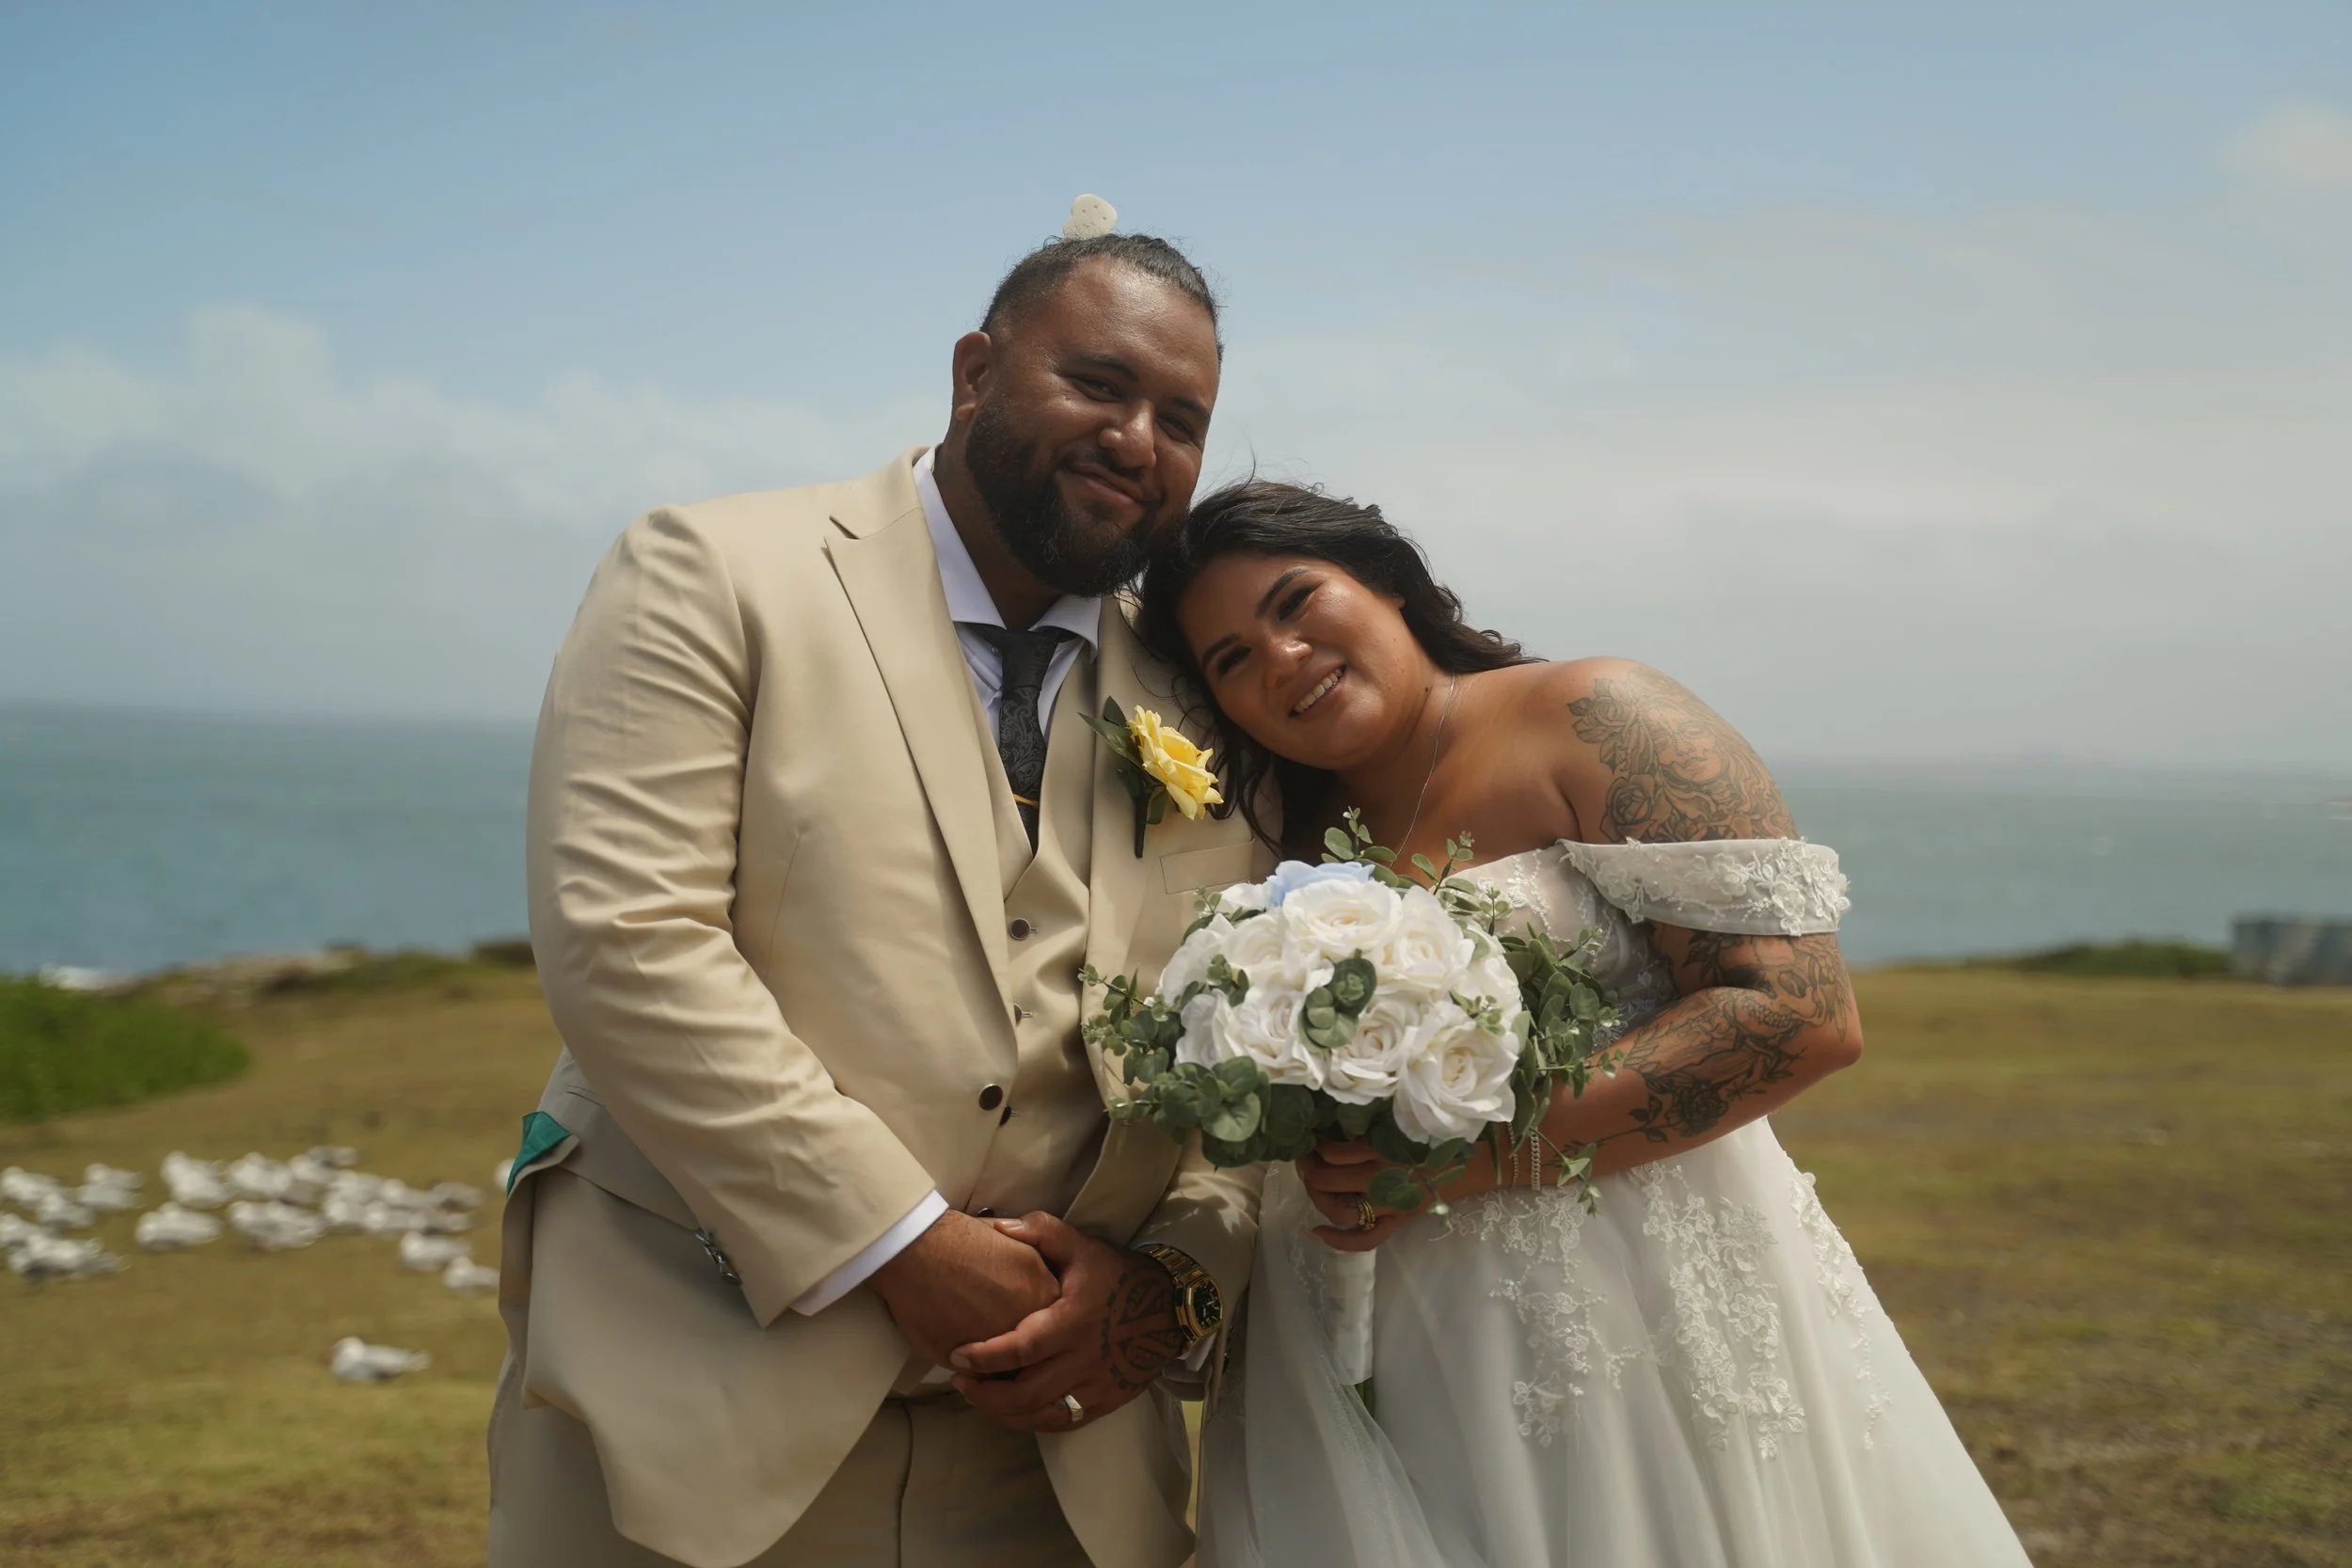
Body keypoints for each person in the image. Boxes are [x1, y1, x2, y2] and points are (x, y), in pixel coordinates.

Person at [488, 214, 1267, 1568]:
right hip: (702, 1405)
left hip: (1065, 1455)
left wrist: (1160, 1285)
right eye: (1098, 382)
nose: (1139, 439)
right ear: (974, 372)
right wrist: (899, 1241)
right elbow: (628, 945)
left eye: (1182, 417)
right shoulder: (713, 573)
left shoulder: (1199, 690)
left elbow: (1242, 1053)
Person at [1134, 481, 2036, 1567]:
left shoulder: (1595, 714)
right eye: (1230, 656)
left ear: (1387, 584)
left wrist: (1457, 1163)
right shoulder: (1274, 829)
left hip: (1631, 1329)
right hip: (1358, 1333)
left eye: (1297, 601)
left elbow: (1799, 1012)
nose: (1279, 657)